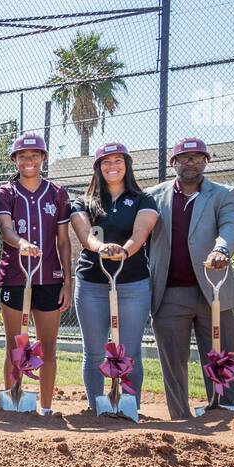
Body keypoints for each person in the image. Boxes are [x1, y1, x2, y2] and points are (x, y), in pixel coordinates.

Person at [147, 137, 234, 418]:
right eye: (184, 157)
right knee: (173, 365)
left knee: (223, 359)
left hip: (214, 291)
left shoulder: (224, 194)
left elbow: (230, 228)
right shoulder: (153, 196)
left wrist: (222, 248)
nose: (190, 162)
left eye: (197, 157)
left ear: (206, 161)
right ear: (173, 163)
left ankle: (232, 416)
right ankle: (181, 421)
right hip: (168, 294)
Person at [68, 142, 159, 411]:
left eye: (118, 161)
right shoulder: (84, 202)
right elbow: (85, 235)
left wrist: (124, 251)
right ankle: (98, 408)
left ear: (127, 165)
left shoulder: (144, 199)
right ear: (98, 168)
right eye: (106, 162)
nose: (112, 167)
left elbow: (141, 233)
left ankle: (128, 406)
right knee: (95, 351)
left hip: (132, 284)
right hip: (91, 284)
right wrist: (102, 249)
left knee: (130, 351)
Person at [0, 133, 72, 414]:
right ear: (14, 160)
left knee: (47, 347)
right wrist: (21, 243)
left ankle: (46, 408)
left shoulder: (58, 193)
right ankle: (14, 404)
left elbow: (63, 241)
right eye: (23, 156)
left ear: (43, 158)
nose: (29, 160)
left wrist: (67, 282)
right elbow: (5, 228)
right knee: (15, 346)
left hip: (49, 279)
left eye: (35, 155)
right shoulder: (5, 193)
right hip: (15, 277)